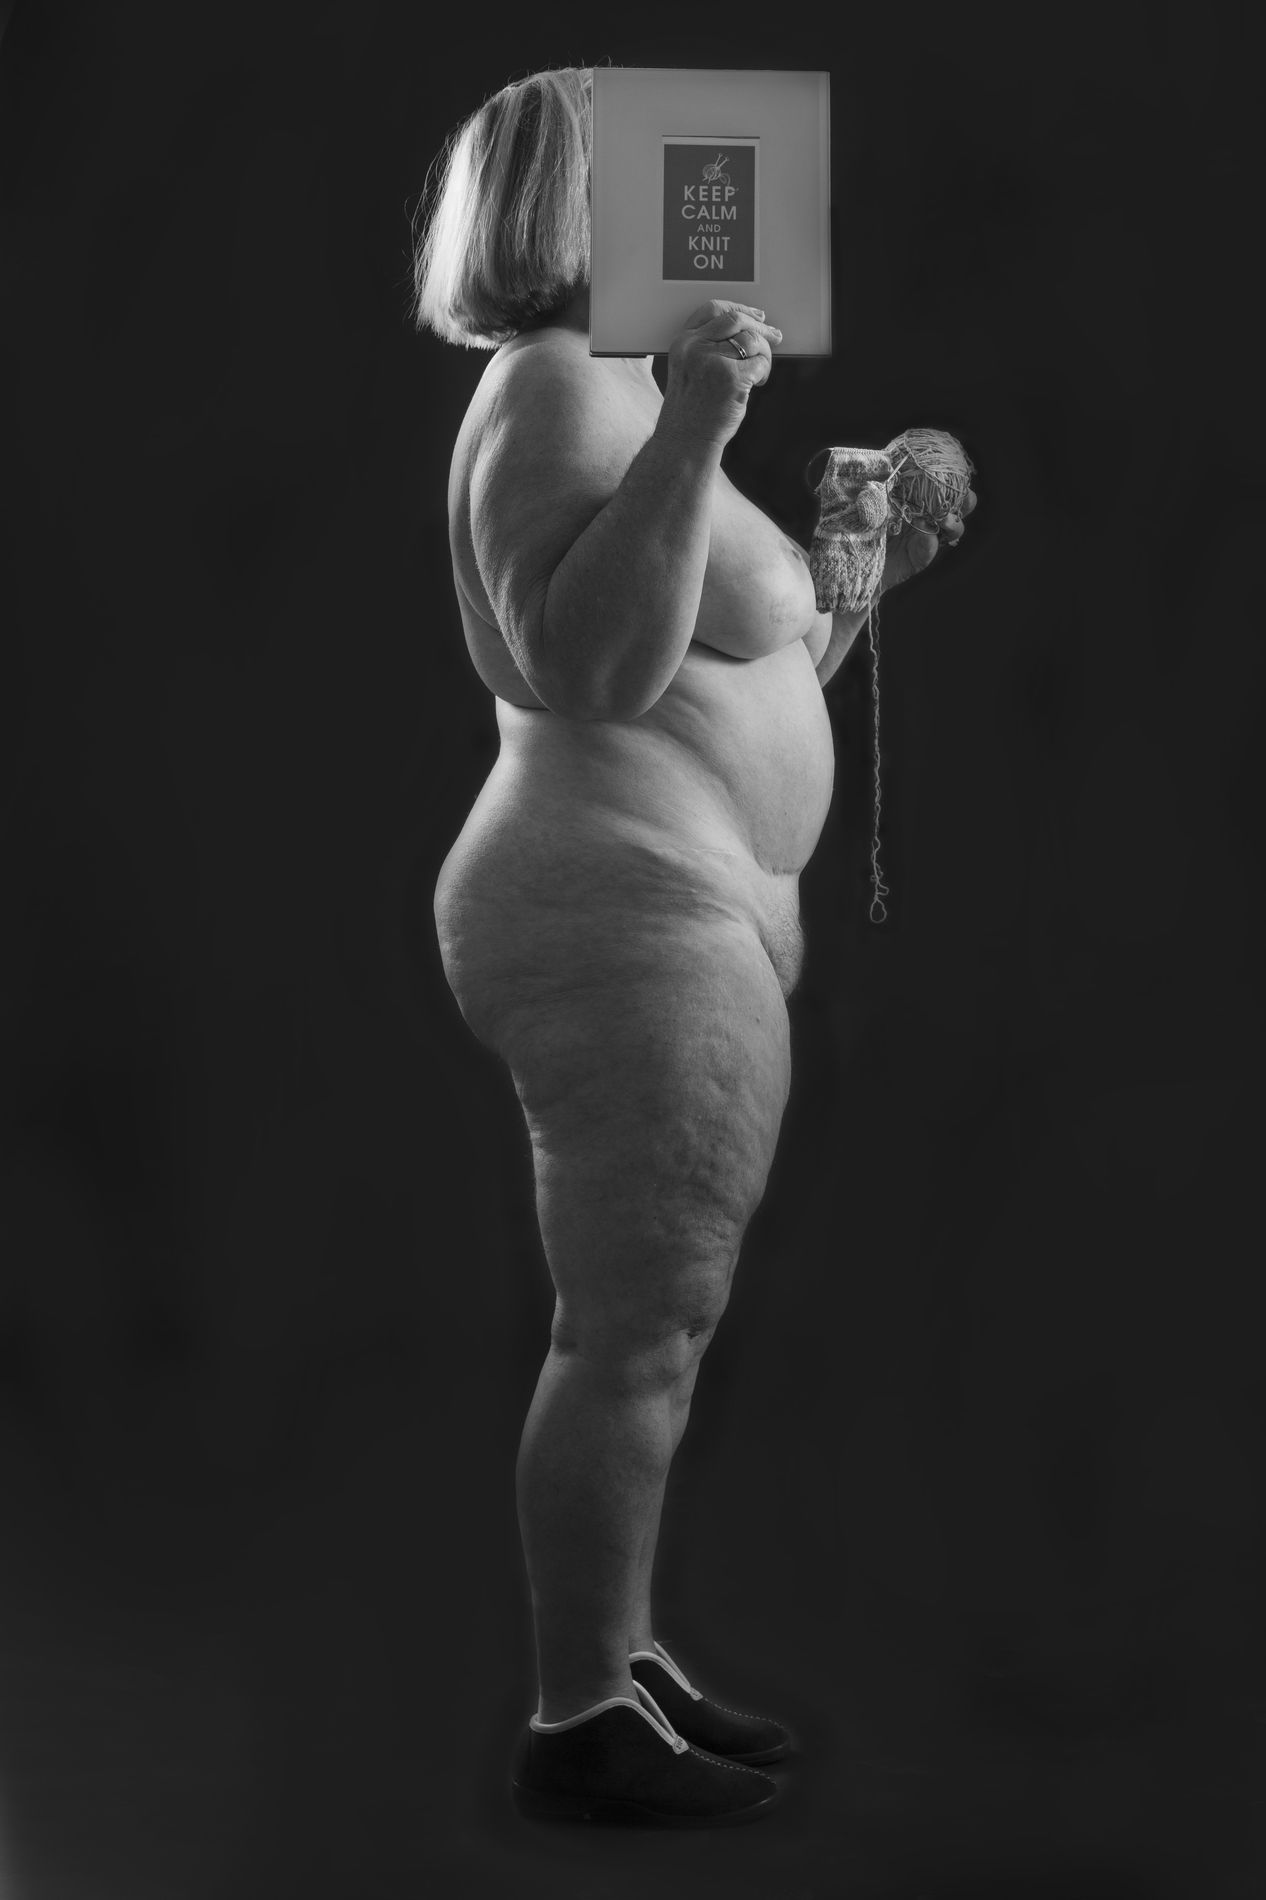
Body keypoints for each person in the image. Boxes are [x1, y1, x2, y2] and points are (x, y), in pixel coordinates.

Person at [412, 66, 974, 1827]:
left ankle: (623, 1661)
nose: (689, 196)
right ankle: (578, 1715)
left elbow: (721, 674)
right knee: (631, 1331)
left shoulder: (619, 390)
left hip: (677, 891)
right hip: (617, 902)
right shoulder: (555, 383)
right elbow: (585, 669)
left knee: (658, 1320)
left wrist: (862, 570)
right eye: (638, 168)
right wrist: (704, 422)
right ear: (566, 200)